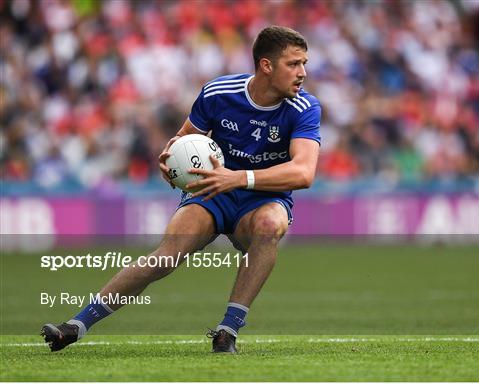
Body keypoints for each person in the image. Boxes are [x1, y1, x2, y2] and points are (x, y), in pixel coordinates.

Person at [41, 26, 321, 354]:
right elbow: (183, 139)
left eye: (304, 63)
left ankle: (227, 331)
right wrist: (170, 159)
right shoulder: (219, 93)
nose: (302, 73)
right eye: (294, 64)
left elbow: (303, 172)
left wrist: (239, 177)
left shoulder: (305, 107)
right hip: (211, 192)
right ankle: (75, 325)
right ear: (266, 65)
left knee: (269, 226)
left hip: (263, 197)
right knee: (166, 257)